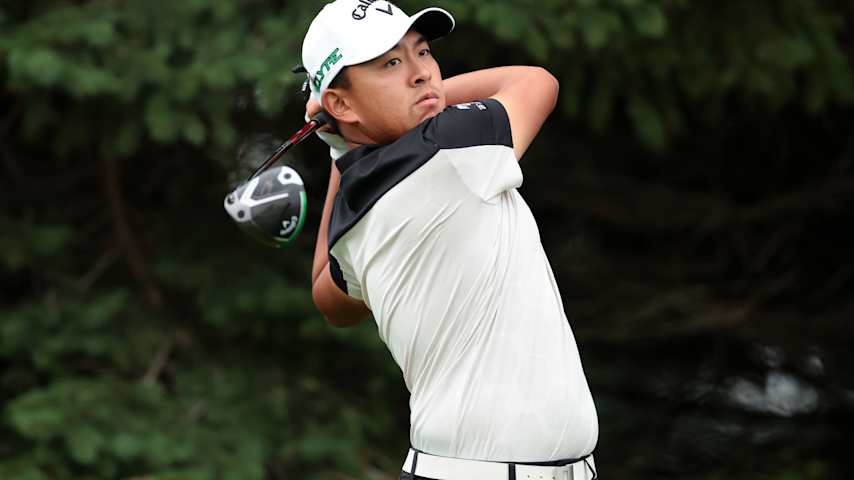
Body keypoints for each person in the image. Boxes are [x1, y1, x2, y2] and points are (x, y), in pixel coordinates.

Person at [302, 1, 599, 479]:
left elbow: (329, 298)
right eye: (391, 63)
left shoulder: (353, 212)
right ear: (341, 103)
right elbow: (535, 82)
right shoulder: (451, 146)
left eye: (422, 52)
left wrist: (340, 144)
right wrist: (430, 99)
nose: (422, 73)